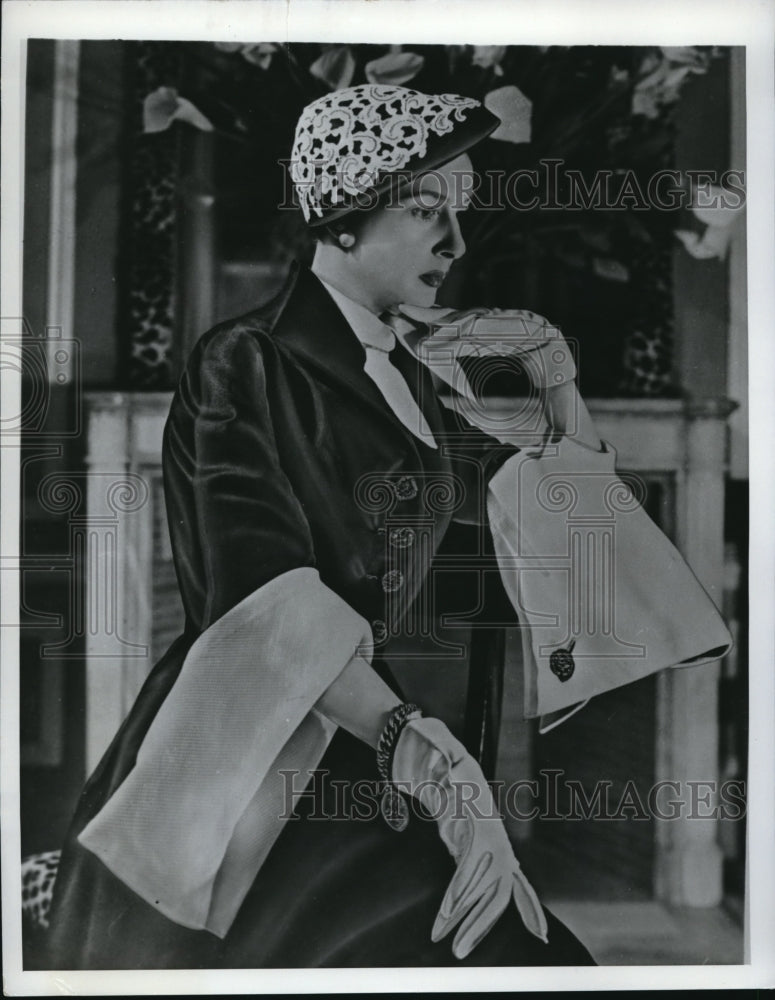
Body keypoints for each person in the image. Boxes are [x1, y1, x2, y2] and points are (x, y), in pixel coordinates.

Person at [46, 83, 731, 970]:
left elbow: (562, 519)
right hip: (253, 748)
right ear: (339, 220)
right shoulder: (243, 360)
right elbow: (258, 590)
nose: (455, 240)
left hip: (367, 749)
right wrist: (423, 752)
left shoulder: (414, 376)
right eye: (424, 210)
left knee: (533, 960)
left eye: (460, 212)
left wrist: (550, 365)